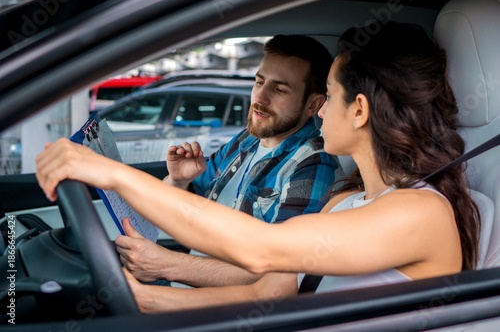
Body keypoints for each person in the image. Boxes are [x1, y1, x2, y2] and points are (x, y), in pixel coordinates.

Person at [36, 21, 481, 313]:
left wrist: (113, 173)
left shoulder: (421, 213)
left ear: (359, 110)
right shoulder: (348, 200)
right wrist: (146, 299)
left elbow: (261, 248)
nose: (321, 112)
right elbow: (267, 292)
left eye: (328, 95)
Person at [116, 35, 343, 289]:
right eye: (259, 82)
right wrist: (179, 181)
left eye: (279, 90)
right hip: (186, 290)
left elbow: (279, 274)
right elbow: (184, 209)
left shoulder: (313, 165)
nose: (260, 98)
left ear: (313, 104)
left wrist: (166, 265)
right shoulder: (247, 140)